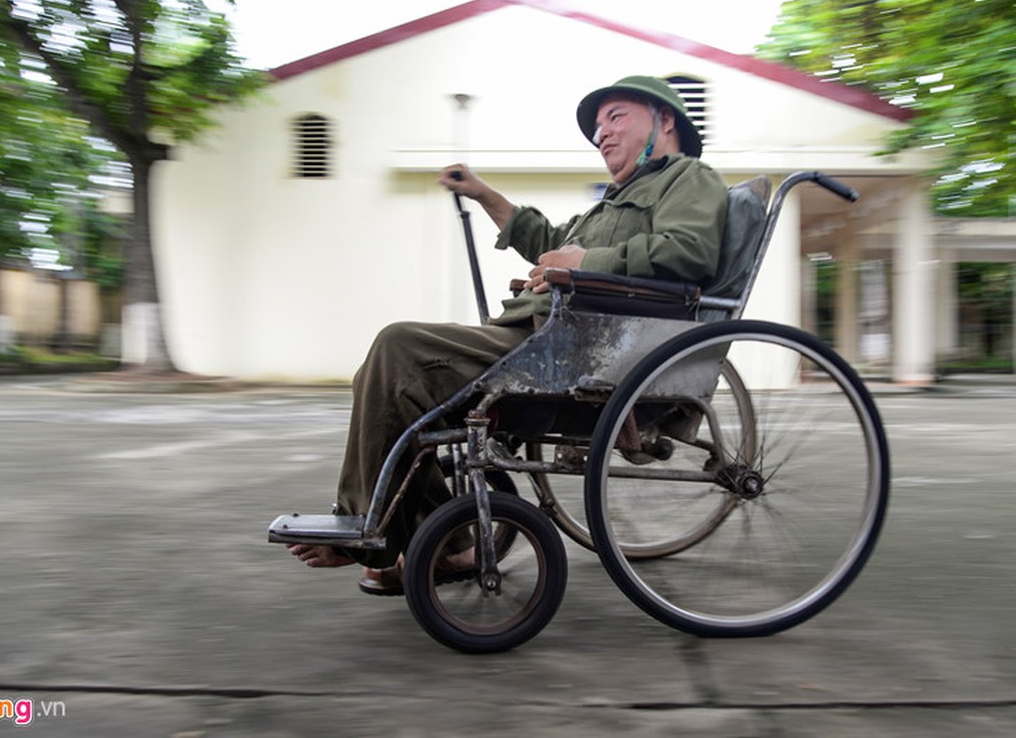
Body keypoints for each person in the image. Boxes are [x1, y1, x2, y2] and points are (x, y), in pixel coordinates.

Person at [287, 75, 729, 593]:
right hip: (545, 338)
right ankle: (449, 549)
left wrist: (587, 261)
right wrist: (481, 193)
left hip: (583, 353)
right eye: (597, 125)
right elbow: (547, 241)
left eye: (616, 117)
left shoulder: (689, 178)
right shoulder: (615, 200)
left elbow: (689, 252)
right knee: (386, 378)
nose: (601, 133)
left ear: (666, 120)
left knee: (398, 349)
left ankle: (369, 534)